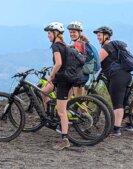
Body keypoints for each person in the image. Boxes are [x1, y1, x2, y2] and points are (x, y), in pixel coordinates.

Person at [93, 26, 133, 136]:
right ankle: (130, 124)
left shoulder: (106, 47)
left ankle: (116, 129)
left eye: (99, 35)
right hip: (126, 75)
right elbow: (111, 61)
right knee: (125, 101)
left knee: (117, 103)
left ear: (106, 35)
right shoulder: (115, 47)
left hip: (117, 77)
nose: (98, 37)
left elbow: (96, 63)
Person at [42, 22, 71, 150]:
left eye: (49, 33)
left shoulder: (56, 46)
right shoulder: (64, 45)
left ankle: (65, 139)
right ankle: (50, 115)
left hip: (63, 80)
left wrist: (51, 76)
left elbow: (58, 63)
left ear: (56, 34)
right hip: (61, 79)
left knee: (62, 111)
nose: (48, 35)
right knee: (43, 92)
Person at [67, 21, 90, 96]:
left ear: (79, 33)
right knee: (80, 101)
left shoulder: (77, 44)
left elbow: (73, 62)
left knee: (66, 100)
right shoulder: (84, 43)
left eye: (74, 32)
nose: (72, 34)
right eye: (70, 32)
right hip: (84, 75)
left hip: (78, 76)